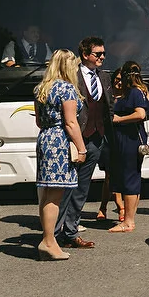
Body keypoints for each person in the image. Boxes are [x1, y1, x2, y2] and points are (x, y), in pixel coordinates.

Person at [55, 35, 113, 251]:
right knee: (66, 187)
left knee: (82, 187)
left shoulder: (104, 77)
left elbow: (108, 105)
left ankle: (71, 231)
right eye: (98, 54)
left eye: (104, 53)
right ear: (85, 55)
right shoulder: (73, 76)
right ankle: (55, 232)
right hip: (75, 138)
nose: (102, 57)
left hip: (97, 138)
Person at [33, 50, 88, 260]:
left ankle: (49, 240)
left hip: (45, 137)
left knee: (47, 193)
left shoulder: (41, 88)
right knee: (55, 195)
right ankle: (48, 241)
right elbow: (71, 122)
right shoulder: (66, 89)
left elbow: (38, 121)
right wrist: (81, 148)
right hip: (60, 141)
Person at [106, 61, 149, 233]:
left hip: (129, 139)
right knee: (130, 177)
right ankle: (129, 219)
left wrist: (118, 119)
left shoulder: (134, 92)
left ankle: (128, 221)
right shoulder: (140, 91)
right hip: (126, 139)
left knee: (130, 178)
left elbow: (140, 114)